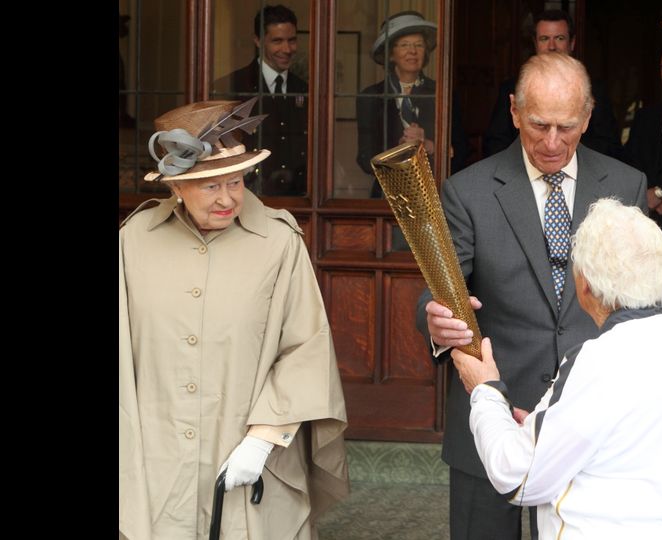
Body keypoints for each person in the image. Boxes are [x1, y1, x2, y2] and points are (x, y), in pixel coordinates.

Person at [416, 53, 648, 540]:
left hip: (587, 418)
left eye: (567, 127)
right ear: (514, 112)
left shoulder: (627, 185)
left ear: (588, 116)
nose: (552, 142)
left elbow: (642, 303)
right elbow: (439, 290)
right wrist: (435, 321)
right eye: (539, 124)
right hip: (490, 410)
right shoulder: (468, 191)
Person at [119, 100, 349, 539]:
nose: (228, 198)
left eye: (236, 181)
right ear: (176, 188)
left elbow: (306, 347)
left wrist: (264, 438)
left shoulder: (278, 243)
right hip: (155, 463)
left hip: (247, 459)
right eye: (209, 186)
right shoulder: (133, 242)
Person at [451, 197, 662, 539]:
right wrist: (542, 426)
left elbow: (518, 477)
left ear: (586, 285)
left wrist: (485, 391)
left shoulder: (598, 360)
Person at [356, 11, 469, 198]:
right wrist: (399, 152)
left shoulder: (443, 94)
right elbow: (364, 158)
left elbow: (462, 150)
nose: (412, 51)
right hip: (387, 199)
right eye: (404, 45)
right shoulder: (371, 96)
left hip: (435, 196)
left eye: (419, 45)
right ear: (391, 53)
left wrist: (430, 145)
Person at [482, 9, 621, 159]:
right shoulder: (512, 88)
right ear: (535, 44)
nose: (552, 46)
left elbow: (610, 147)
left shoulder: (595, 91)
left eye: (560, 38)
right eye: (544, 38)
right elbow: (495, 144)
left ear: (572, 43)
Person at [213, 4, 308, 197]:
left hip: (298, 197)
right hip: (245, 194)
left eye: (292, 40)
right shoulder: (232, 86)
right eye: (277, 41)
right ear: (258, 41)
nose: (287, 49)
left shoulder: (305, 89)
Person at [622, 44, 662, 312]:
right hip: (644, 220)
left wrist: (660, 194)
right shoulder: (647, 116)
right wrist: (648, 194)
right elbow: (631, 160)